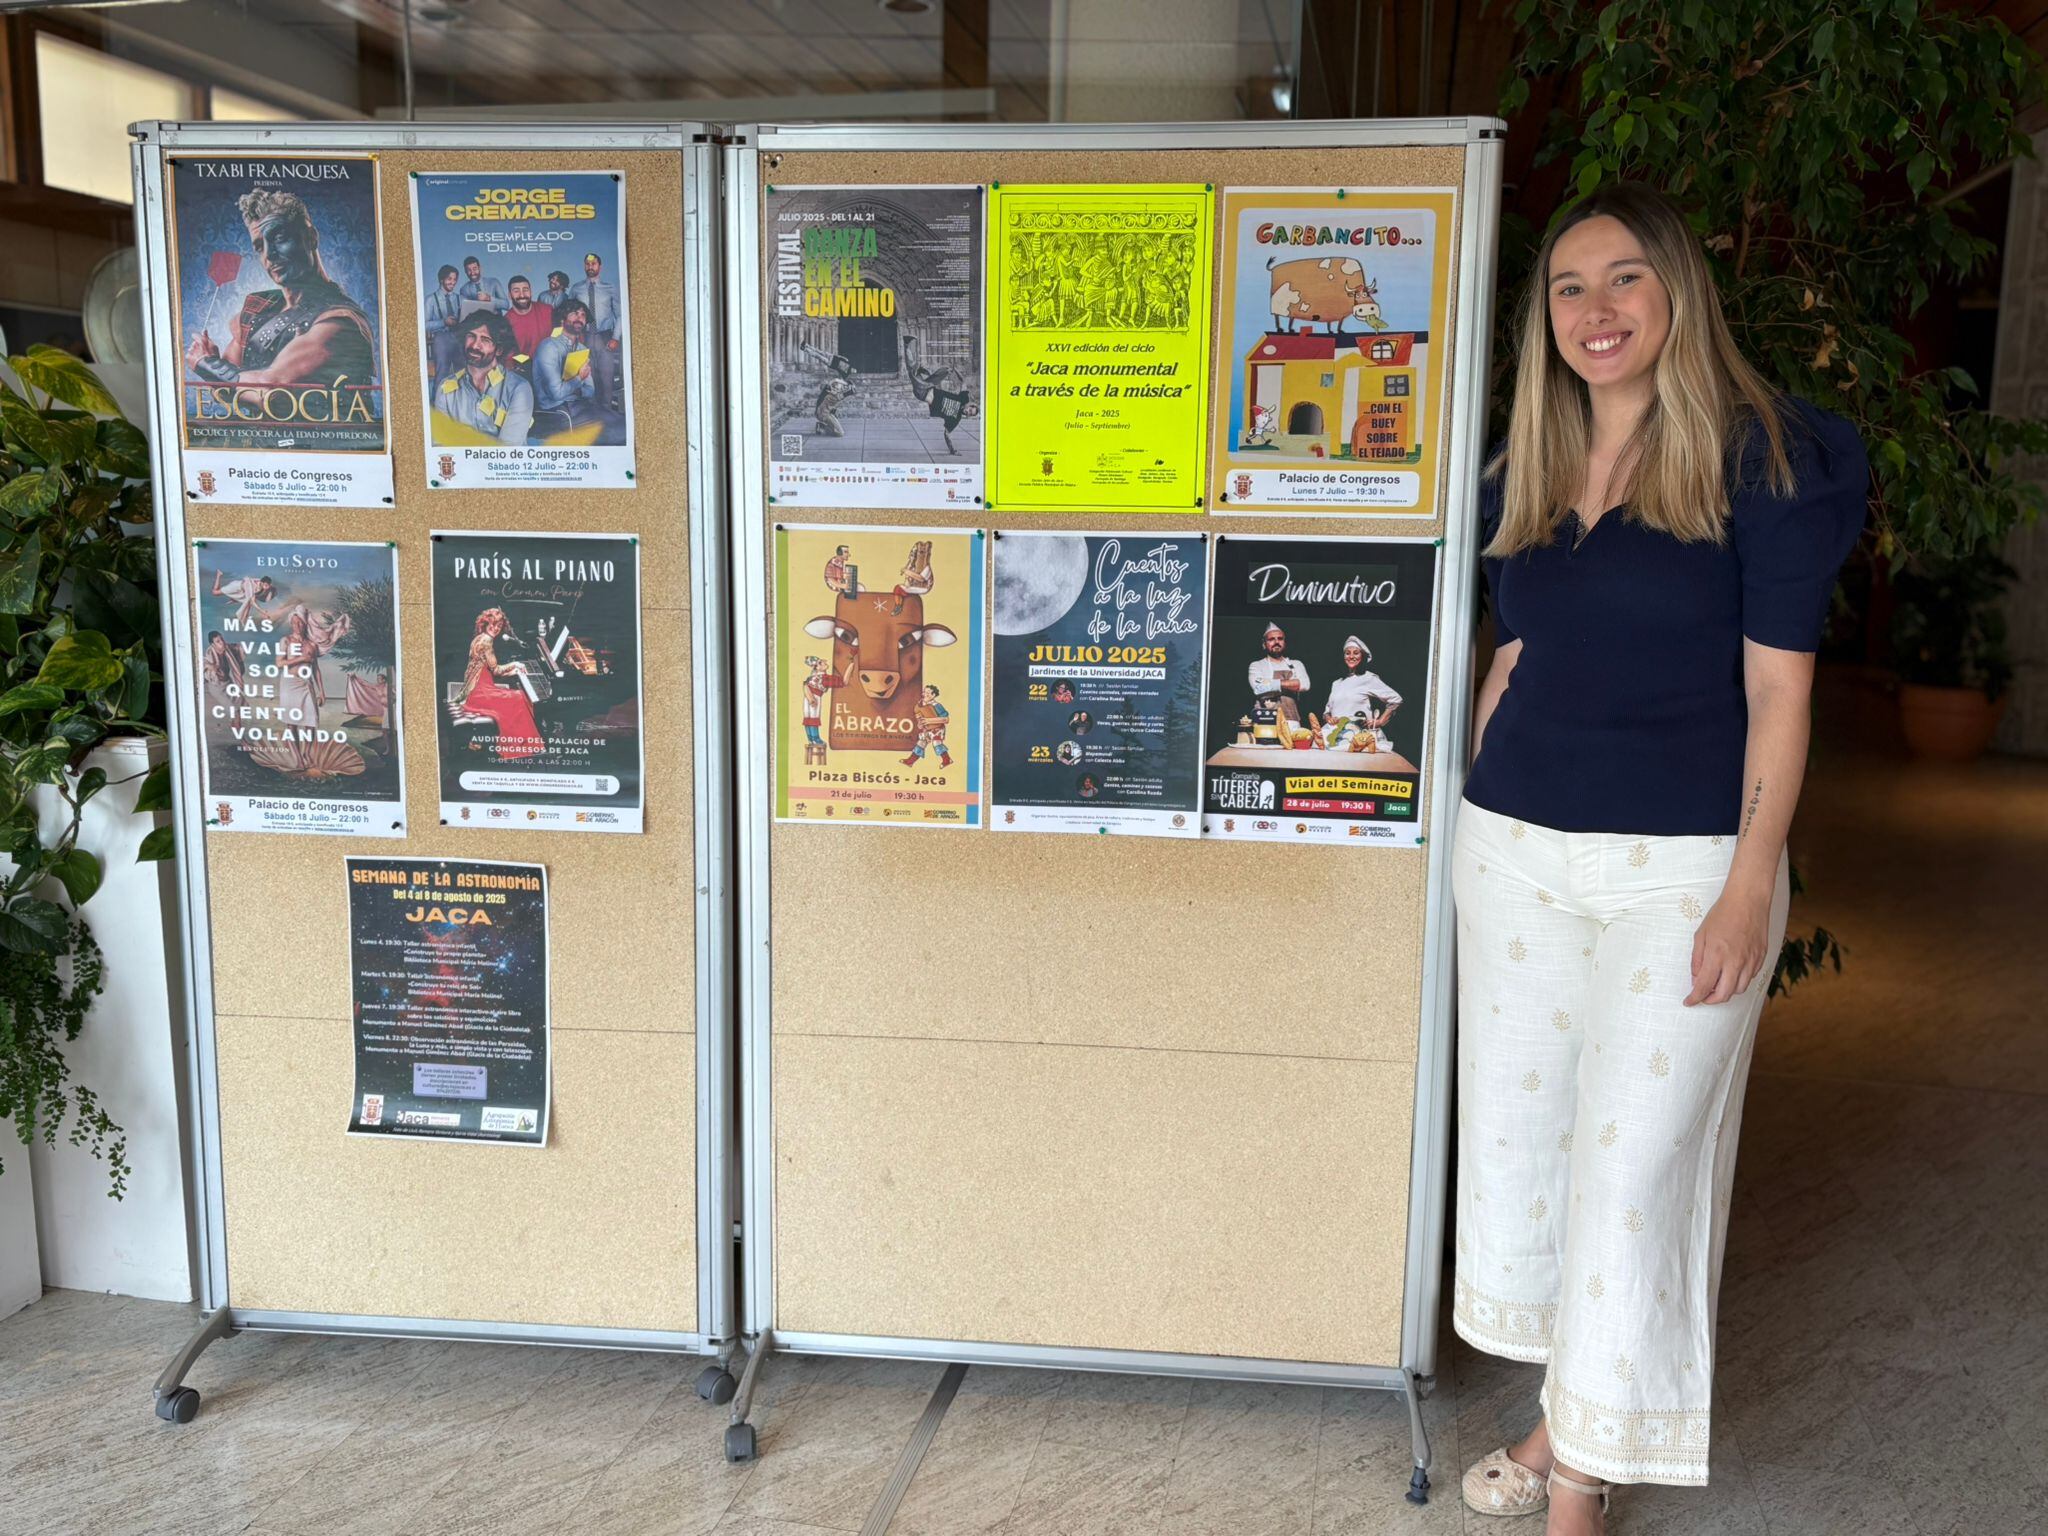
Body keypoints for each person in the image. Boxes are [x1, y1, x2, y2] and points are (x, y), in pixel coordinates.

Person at [1452, 184, 1867, 1535]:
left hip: (1682, 868)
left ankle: (1578, 1489)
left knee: (1636, 1177)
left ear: (1679, 291)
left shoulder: (1767, 460)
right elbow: (1515, 641)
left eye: (1625, 279)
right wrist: (1477, 743)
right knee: (1539, 1159)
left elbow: (1781, 697)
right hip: (1514, 854)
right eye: (1569, 289)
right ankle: (1566, 1419)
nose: (1597, 312)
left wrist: (1753, 880)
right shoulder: (1523, 459)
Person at [184, 187, 377, 392]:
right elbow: (222, 392)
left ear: (311, 237)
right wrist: (212, 360)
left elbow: (269, 390)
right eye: (259, 246)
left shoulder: (341, 321)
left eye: (279, 238)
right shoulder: (260, 307)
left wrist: (206, 363)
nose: (269, 254)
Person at [433, 311, 534, 447]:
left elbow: (509, 450)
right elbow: (440, 446)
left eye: (485, 340)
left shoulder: (519, 388)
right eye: (471, 336)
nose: (475, 345)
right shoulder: (445, 388)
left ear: (499, 350)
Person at [270, 604, 352, 768]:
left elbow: (316, 669)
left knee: (311, 722)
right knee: (291, 723)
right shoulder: (285, 640)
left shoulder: (311, 645)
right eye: (294, 623)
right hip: (289, 684)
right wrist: (301, 659)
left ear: (305, 623)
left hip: (306, 684)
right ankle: (297, 757)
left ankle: (307, 753)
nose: (297, 626)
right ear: (291, 624)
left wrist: (322, 691)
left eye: (300, 623)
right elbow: (279, 663)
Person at [531, 299, 625, 442]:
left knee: (624, 423)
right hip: (557, 413)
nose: (580, 317)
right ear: (562, 319)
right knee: (619, 431)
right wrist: (579, 379)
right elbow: (557, 394)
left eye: (583, 315)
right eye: (575, 313)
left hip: (581, 406)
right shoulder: (549, 347)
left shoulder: (581, 348)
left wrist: (575, 387)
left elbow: (590, 391)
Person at [460, 608, 544, 761]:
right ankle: (521, 747)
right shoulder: (486, 640)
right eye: (492, 624)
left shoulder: (478, 638)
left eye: (499, 625)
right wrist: (515, 664)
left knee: (518, 696)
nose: (496, 628)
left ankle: (523, 743)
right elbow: (496, 670)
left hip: (478, 689)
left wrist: (515, 672)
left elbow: (488, 671)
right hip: (480, 692)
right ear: (485, 624)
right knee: (518, 697)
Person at [1321, 636, 1402, 750]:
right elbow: (1327, 711)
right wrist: (1329, 719)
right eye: (1347, 653)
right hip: (1334, 737)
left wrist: (1380, 721)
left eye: (1356, 653)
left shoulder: (1368, 678)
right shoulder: (1336, 683)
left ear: (1362, 656)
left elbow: (1395, 699)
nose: (1351, 656)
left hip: (1359, 736)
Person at [572, 251, 624, 411]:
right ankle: (592, 412)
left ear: (599, 266)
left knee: (606, 376)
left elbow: (620, 314)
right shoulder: (576, 289)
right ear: (584, 266)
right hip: (584, 337)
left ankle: (607, 410)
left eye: (593, 264)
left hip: (604, 337)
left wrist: (615, 337)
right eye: (587, 264)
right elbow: (569, 313)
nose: (590, 267)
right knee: (588, 376)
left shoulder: (610, 288)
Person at [1246, 622, 1309, 726]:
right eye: (1271, 639)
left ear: (1284, 642)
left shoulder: (1296, 664)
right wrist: (1292, 683)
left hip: (1291, 719)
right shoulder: (1257, 665)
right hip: (1265, 718)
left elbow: (1305, 685)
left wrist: (1269, 684)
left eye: (1280, 639)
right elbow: (1257, 687)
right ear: (1264, 644)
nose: (1276, 642)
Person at [424, 264, 465, 382]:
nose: (453, 282)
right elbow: (424, 325)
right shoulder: (430, 300)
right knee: (442, 372)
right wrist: (443, 322)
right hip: (441, 338)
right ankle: (438, 399)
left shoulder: (460, 299)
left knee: (463, 372)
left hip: (459, 337)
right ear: (441, 279)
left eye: (455, 279)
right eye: (449, 279)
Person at [504, 275, 553, 369]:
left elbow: (562, 338)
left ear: (531, 292)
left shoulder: (548, 311)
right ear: (510, 295)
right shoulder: (505, 321)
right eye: (516, 291)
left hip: (551, 364)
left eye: (525, 290)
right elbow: (508, 359)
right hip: (524, 369)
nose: (522, 295)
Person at [901, 684, 952, 769]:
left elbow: (946, 719)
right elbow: (919, 720)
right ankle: (910, 761)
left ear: (933, 695)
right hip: (927, 729)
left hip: (938, 729)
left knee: (937, 744)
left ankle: (947, 760)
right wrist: (920, 724)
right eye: (925, 692)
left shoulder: (937, 706)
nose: (925, 694)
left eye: (928, 693)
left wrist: (929, 720)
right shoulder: (918, 706)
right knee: (920, 743)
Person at [211, 571, 282, 627]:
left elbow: (253, 598)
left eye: (268, 586)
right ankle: (218, 574)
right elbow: (253, 602)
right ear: (262, 583)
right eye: (266, 585)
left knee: (248, 602)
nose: (266, 587)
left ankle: (243, 620)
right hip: (235, 587)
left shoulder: (260, 584)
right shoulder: (253, 586)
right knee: (215, 592)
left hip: (241, 591)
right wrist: (263, 612)